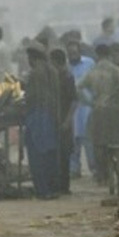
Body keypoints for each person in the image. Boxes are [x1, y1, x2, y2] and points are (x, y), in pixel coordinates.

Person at [80, 44, 119, 186]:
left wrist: (89, 101)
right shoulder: (114, 69)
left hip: (98, 109)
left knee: (99, 143)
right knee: (117, 142)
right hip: (113, 109)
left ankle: (103, 175)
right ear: (109, 55)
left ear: (97, 55)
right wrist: (112, 96)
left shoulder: (93, 70)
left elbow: (79, 87)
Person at [22, 46, 61, 199]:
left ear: (33, 58)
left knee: (36, 154)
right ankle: (53, 189)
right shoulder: (53, 71)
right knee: (50, 153)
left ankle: (42, 190)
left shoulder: (34, 73)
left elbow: (31, 97)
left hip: (37, 116)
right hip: (51, 115)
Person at [49, 48, 77, 194]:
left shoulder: (67, 77)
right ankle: (59, 185)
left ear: (56, 61)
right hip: (56, 120)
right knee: (57, 154)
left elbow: (74, 101)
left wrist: (67, 121)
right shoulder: (54, 77)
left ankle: (64, 186)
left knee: (64, 154)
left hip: (64, 120)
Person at [66, 40, 96, 179]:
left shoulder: (89, 63)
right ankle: (74, 169)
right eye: (70, 53)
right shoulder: (66, 67)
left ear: (79, 52)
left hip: (88, 107)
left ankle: (94, 168)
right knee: (73, 142)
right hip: (73, 110)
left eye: (75, 52)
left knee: (89, 139)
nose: (73, 55)